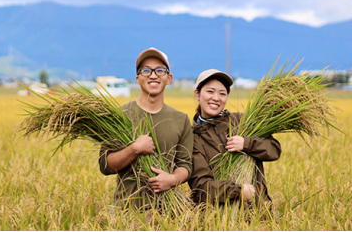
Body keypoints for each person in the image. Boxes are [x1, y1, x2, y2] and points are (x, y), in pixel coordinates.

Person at [99, 48, 193, 210]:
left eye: (160, 70)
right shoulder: (119, 115)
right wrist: (134, 149)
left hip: (169, 213)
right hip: (126, 213)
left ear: (169, 78)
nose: (153, 75)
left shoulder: (181, 119)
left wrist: (172, 179)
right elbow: (105, 165)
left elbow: (186, 165)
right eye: (146, 70)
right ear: (137, 78)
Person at [188, 69, 281, 209]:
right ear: (197, 94)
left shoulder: (243, 122)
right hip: (218, 218)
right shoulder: (193, 138)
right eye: (210, 91)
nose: (216, 98)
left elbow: (274, 150)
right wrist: (238, 191)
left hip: (256, 213)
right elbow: (201, 187)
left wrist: (246, 143)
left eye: (222, 93)